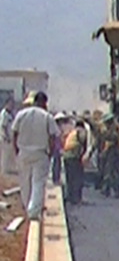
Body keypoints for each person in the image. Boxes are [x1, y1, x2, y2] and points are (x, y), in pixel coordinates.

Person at [9, 92, 58, 220]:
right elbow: (53, 137)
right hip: (40, 153)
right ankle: (33, 211)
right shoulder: (47, 117)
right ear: (44, 103)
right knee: (38, 183)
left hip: (23, 152)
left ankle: (27, 207)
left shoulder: (21, 114)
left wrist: (16, 150)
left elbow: (14, 133)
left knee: (25, 182)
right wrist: (50, 154)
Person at [61, 114, 89, 205]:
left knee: (70, 178)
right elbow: (83, 142)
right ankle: (77, 198)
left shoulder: (72, 132)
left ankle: (70, 197)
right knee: (77, 178)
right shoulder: (81, 131)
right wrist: (83, 154)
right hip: (74, 157)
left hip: (67, 156)